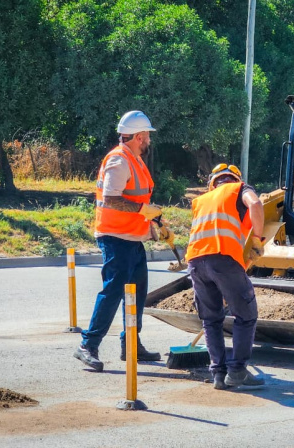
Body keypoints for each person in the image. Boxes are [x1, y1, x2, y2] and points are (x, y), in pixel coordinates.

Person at [74, 110, 174, 372]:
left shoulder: (134, 158)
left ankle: (131, 344)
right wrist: (144, 212)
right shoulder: (120, 160)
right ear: (139, 136)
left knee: (137, 293)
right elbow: (111, 199)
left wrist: (157, 224)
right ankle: (88, 345)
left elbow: (137, 199)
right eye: (147, 136)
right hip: (115, 237)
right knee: (113, 291)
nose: (149, 140)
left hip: (132, 238)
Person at [185, 163, 266, 390]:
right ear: (235, 179)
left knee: (211, 319)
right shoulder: (239, 189)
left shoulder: (201, 201)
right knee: (246, 315)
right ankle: (238, 371)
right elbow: (257, 205)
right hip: (223, 259)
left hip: (196, 262)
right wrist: (257, 239)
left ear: (213, 181)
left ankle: (219, 375)